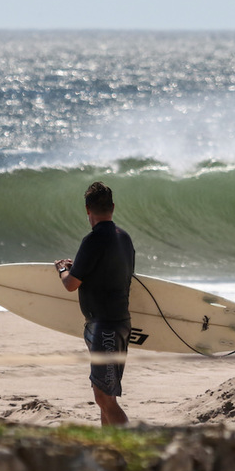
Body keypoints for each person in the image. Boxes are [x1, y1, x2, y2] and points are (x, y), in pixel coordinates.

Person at [55, 181, 135, 426]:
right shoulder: (125, 238)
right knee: (103, 392)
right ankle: (109, 450)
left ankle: (132, 451)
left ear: (87, 209)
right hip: (118, 323)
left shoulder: (93, 240)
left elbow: (71, 284)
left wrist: (61, 270)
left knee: (104, 397)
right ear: (112, 206)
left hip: (105, 327)